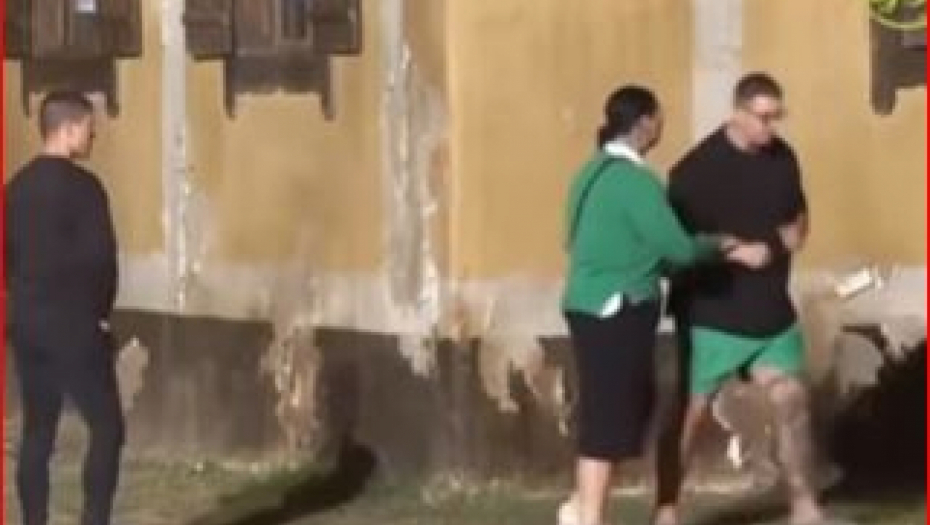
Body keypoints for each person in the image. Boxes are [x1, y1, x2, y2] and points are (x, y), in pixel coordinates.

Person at [558, 85, 760, 525]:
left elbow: (576, 237)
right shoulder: (636, 182)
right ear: (644, 123)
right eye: (659, 117)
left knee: (622, 407)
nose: (662, 125)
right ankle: (587, 516)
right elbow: (680, 248)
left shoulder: (589, 173)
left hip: (588, 304)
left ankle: (580, 505)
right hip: (616, 308)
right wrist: (721, 245)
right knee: (608, 417)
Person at [654, 73, 846, 525]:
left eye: (776, 117)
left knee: (791, 397)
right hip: (711, 313)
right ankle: (666, 510)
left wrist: (772, 248)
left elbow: (798, 224)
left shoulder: (783, 159)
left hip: (770, 312)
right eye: (762, 118)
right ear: (737, 113)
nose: (770, 128)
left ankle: (804, 506)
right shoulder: (693, 172)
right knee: (692, 414)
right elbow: (674, 247)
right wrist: (733, 251)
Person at [6, 91, 125, 525]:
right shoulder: (85, 189)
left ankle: (33, 520)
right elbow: (101, 260)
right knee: (107, 426)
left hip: (28, 325)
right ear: (69, 129)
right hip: (75, 324)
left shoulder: (14, 190)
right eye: (90, 127)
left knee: (38, 430)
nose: (94, 136)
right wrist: (101, 313)